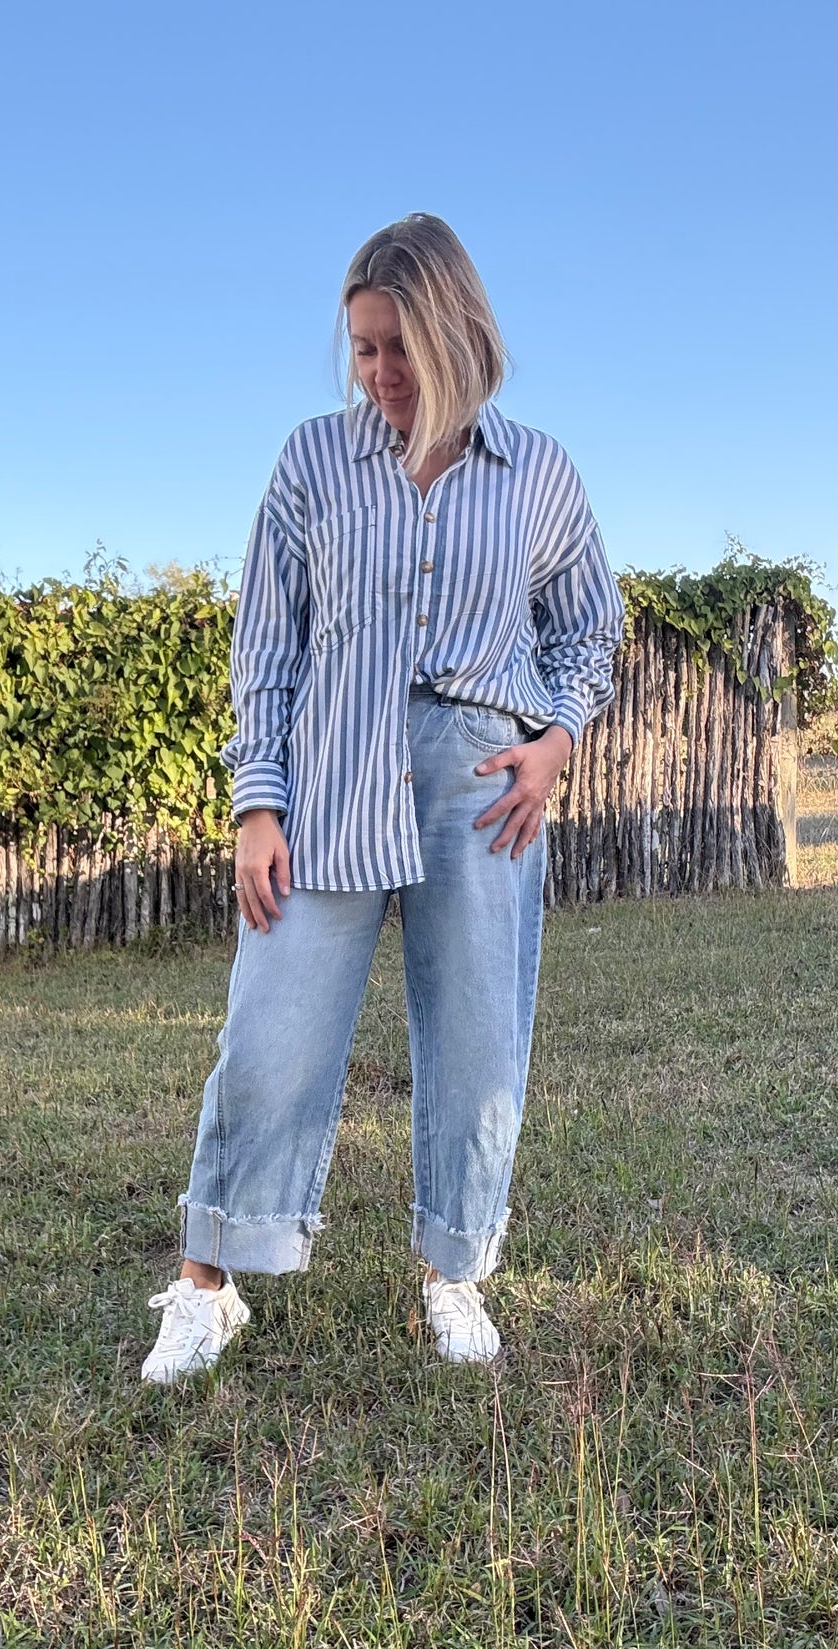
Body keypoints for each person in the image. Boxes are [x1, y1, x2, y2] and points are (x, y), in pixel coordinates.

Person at [141, 211, 623, 1385]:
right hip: (333, 770)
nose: (377, 371)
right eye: (361, 348)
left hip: (483, 778)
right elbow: (267, 646)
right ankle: (206, 1284)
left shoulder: (537, 473)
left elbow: (587, 630)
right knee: (269, 1029)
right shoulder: (312, 461)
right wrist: (258, 804)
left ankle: (453, 1269)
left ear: (457, 334)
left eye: (399, 346)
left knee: (476, 1038)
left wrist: (556, 742)